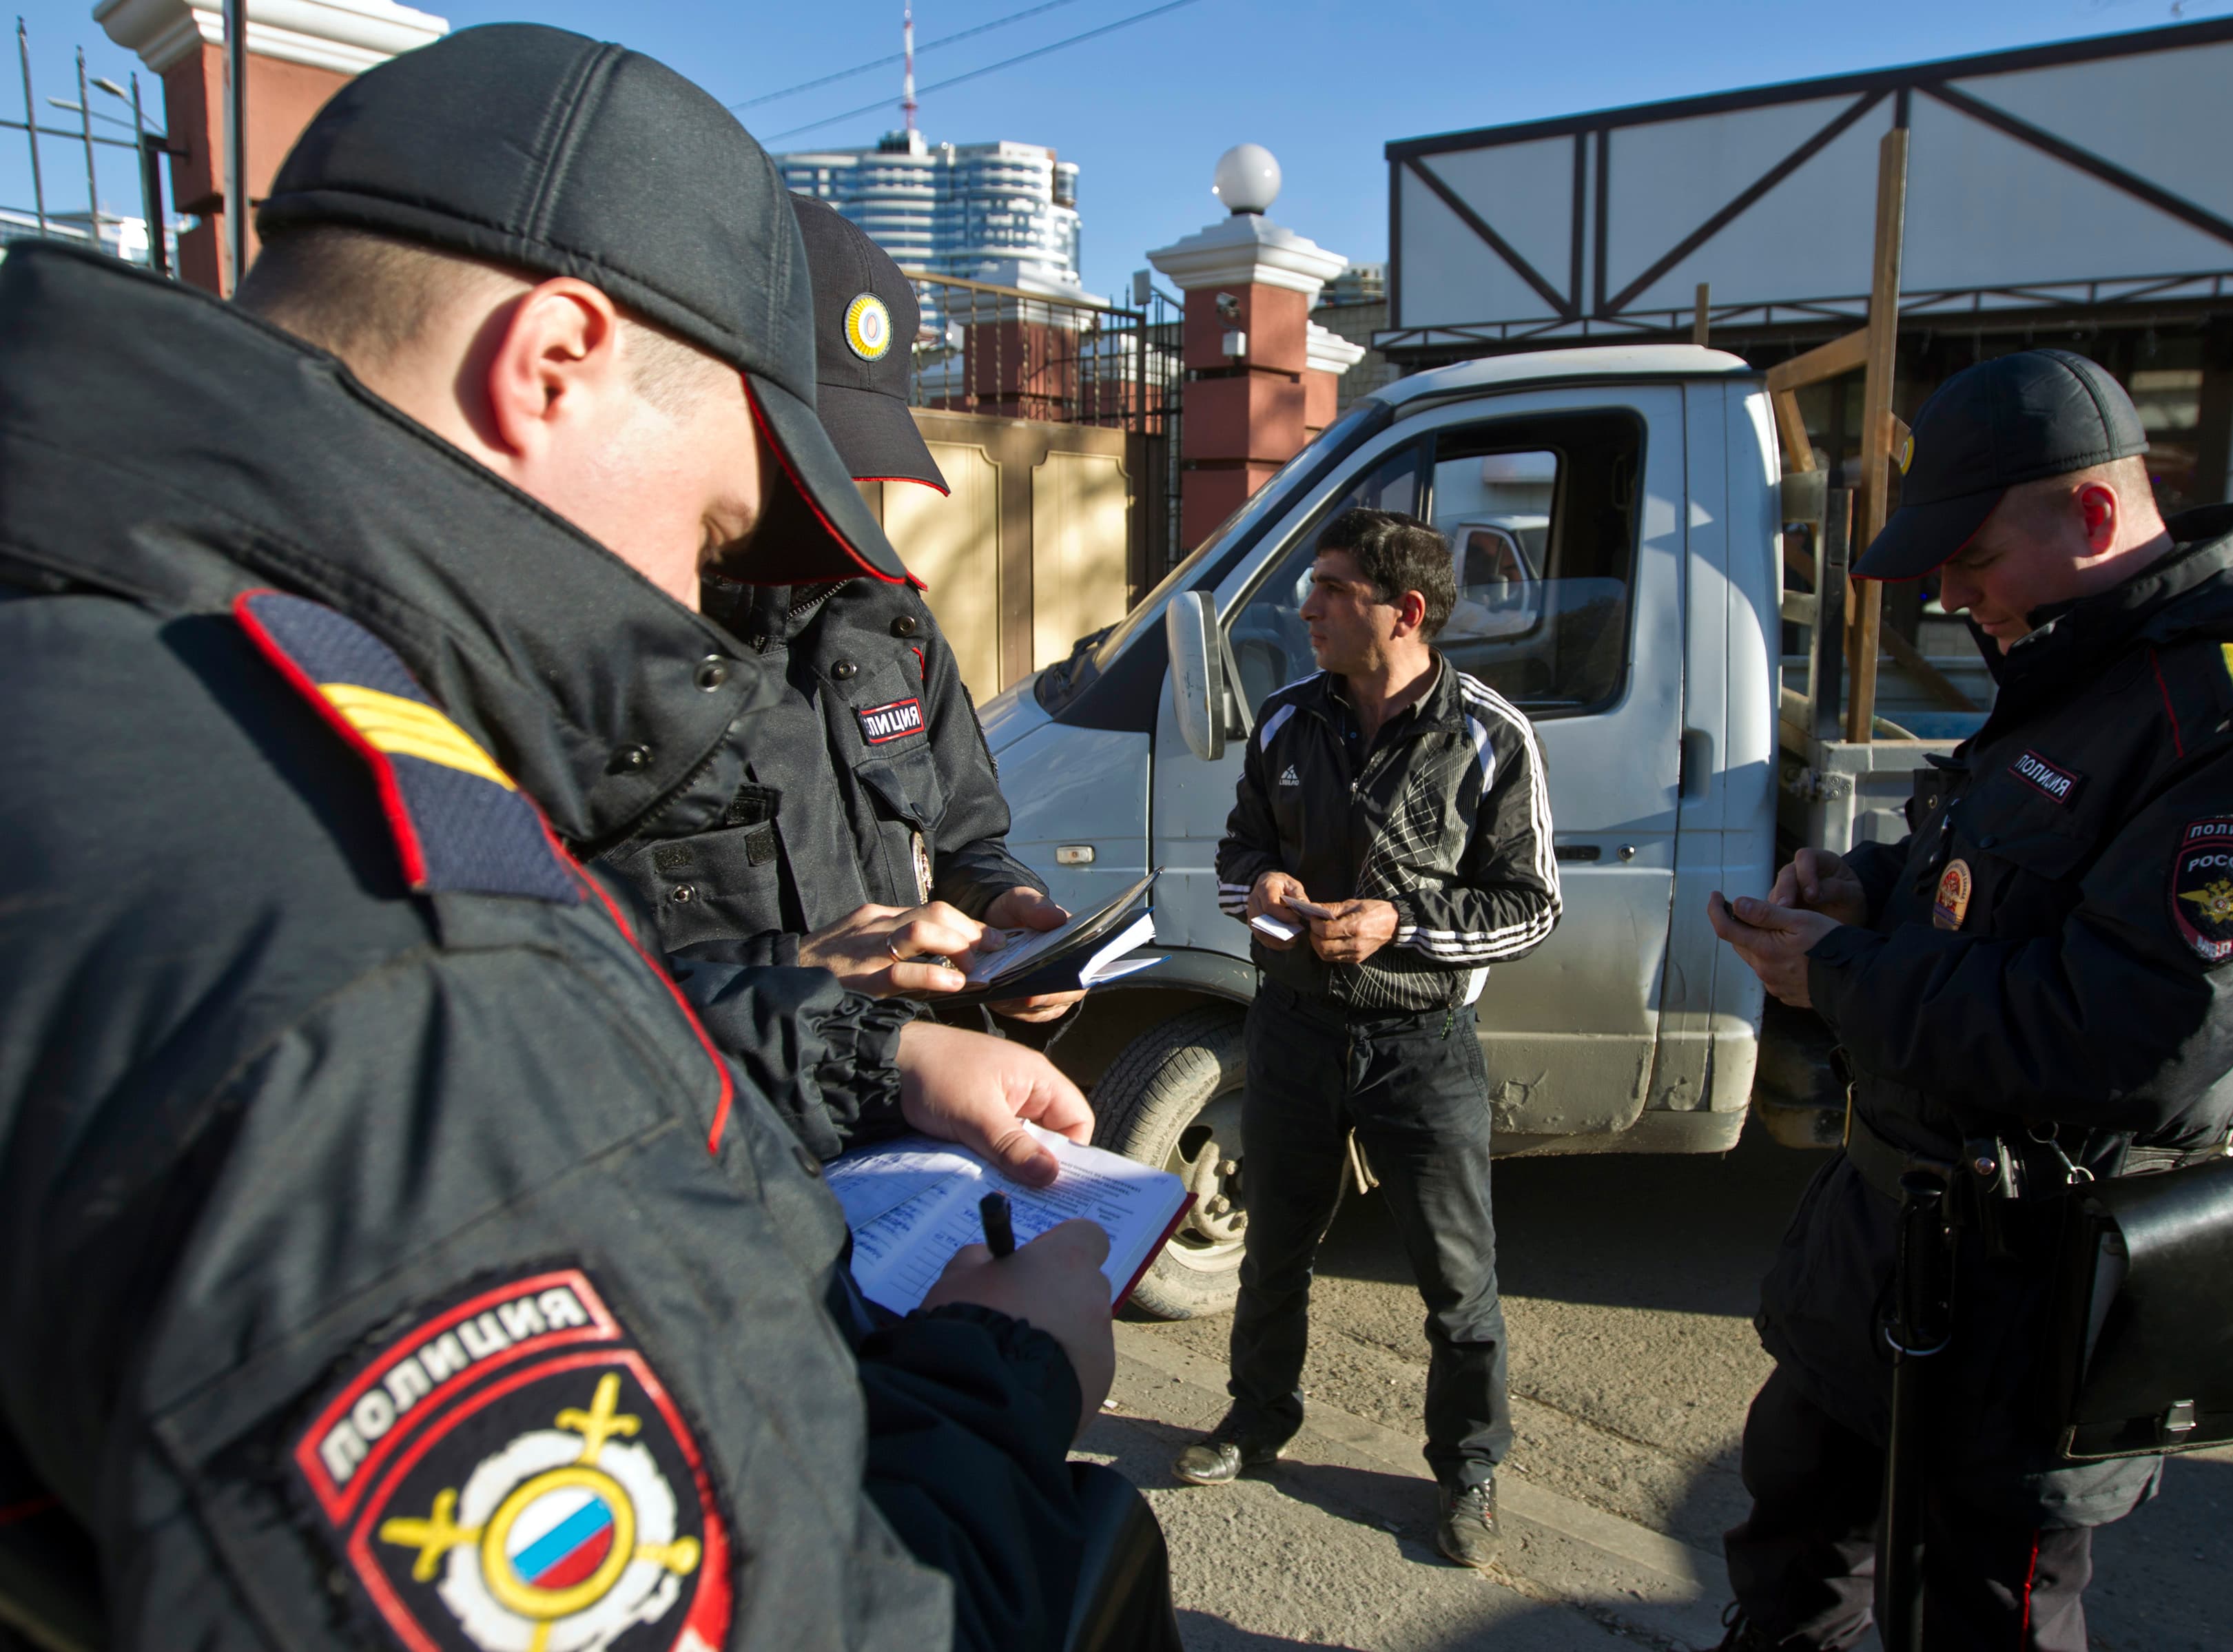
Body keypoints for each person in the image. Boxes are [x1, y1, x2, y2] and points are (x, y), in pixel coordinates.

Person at [0, 25, 1123, 1652]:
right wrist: (1007, 1380)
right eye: (717, 529)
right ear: (550, 359)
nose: (694, 597)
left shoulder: (105, 658)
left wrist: (867, 1059)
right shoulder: (413, 977)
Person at [1705, 349, 2233, 1651]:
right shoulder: (2089, 666)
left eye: (1973, 559)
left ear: (2090, 514)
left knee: (1983, 1613)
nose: (1956, 599)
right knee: (1798, 1553)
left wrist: (1835, 970)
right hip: (1892, 1252)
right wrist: (1866, 890)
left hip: (2033, 1292)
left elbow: (2118, 1029)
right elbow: (1988, 865)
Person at [1180, 506, 1562, 1567]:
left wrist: (1402, 924)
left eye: (1329, 589)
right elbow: (1236, 852)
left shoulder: (1490, 735)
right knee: (1274, 1253)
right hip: (1295, 1029)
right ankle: (1257, 1422)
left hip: (1421, 1043)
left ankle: (1471, 1470)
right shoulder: (1286, 720)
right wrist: (1259, 884)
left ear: (1402, 612)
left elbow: (1533, 907)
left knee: (1457, 1281)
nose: (1306, 607)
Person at [606, 196, 1080, 1028]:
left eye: (858, 461)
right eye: (810, 455)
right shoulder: (596, 656)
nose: (839, 501)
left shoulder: (892, 623)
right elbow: (542, 995)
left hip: (909, 1115)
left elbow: (965, 839)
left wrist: (1006, 912)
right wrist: (793, 974)